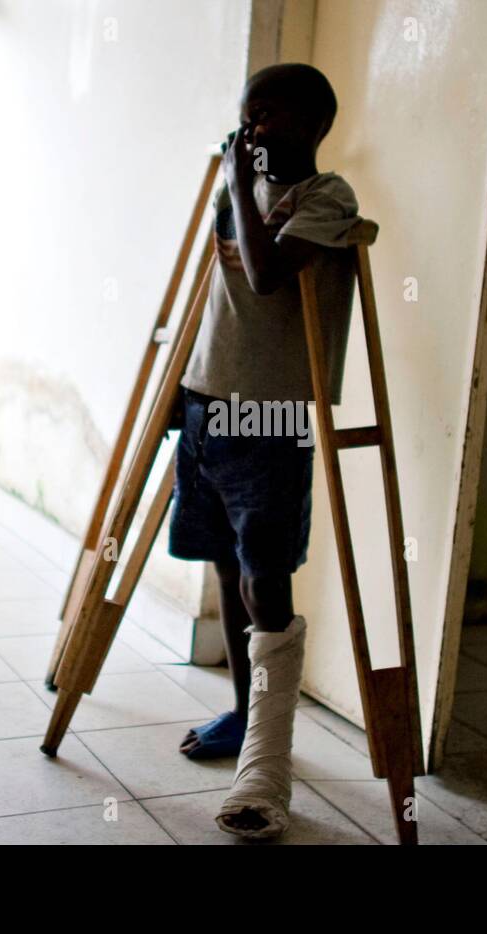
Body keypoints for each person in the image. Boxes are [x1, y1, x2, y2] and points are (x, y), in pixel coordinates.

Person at [167, 63, 361, 838]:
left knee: (265, 577)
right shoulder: (238, 191)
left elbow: (270, 275)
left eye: (269, 115)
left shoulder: (326, 197)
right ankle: (246, 715)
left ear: (313, 124)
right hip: (209, 403)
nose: (252, 130)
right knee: (223, 562)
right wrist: (230, 188)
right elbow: (221, 292)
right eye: (247, 116)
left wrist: (233, 187)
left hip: (273, 419)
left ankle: (266, 752)